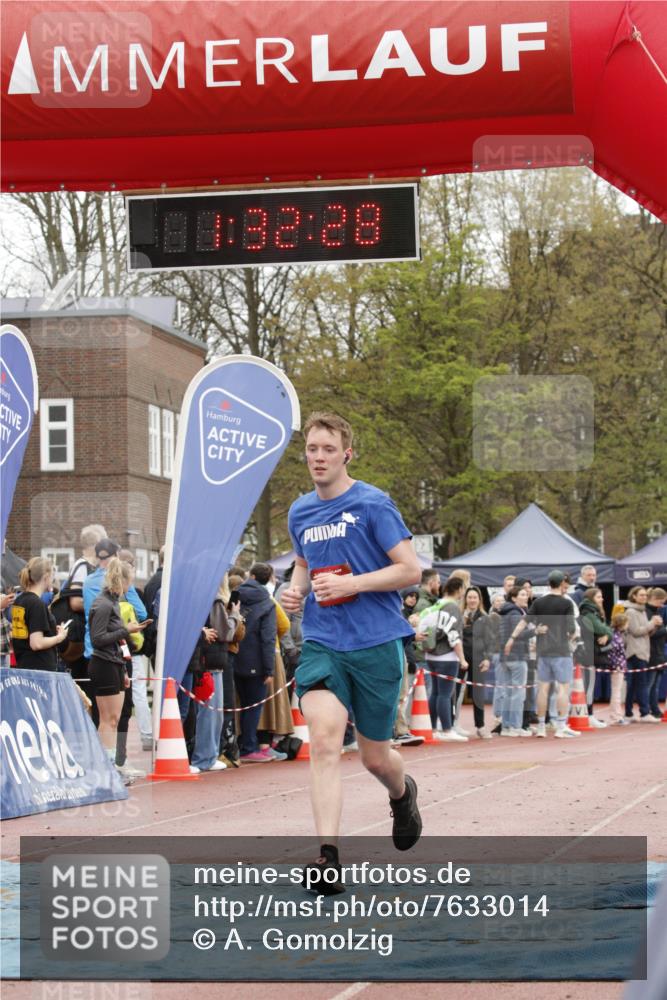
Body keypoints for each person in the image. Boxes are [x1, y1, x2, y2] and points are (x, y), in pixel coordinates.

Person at [280, 411, 422, 888]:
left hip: (377, 642)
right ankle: (327, 857)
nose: (318, 458)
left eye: (327, 450)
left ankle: (402, 795)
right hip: (323, 642)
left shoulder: (373, 504)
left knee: (375, 758)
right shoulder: (300, 511)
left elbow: (410, 570)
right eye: (311, 450)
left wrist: (353, 584)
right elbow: (303, 562)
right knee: (322, 739)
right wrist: (294, 590)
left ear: (347, 454)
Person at [88, 558, 149, 773]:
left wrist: (123, 668)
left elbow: (115, 640)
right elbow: (97, 638)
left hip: (114, 663)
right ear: (121, 580)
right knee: (107, 720)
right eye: (129, 582)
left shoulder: (112, 602)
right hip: (103, 664)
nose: (130, 587)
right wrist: (127, 630)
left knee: (114, 719)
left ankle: (112, 766)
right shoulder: (103, 604)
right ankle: (106, 768)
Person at [507, 570, 578, 738]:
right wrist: (572, 635)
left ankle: (540, 726)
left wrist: (511, 638)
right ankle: (560, 726)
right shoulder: (566, 603)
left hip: (543, 651)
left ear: (548, 584)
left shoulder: (539, 602)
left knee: (543, 689)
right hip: (561, 650)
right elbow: (571, 629)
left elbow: (524, 622)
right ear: (562, 584)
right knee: (562, 688)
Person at [190, 574, 242, 774]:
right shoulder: (216, 600)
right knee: (211, 711)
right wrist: (235, 615)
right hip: (212, 660)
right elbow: (225, 632)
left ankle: (207, 755)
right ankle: (205, 756)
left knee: (211, 711)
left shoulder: (201, 598)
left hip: (206, 658)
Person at [235, 563, 278, 762]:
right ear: (268, 579)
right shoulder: (267, 603)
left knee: (240, 705)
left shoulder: (234, 595)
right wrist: (269, 669)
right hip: (256, 661)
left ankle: (240, 743)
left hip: (234, 656)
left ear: (250, 575)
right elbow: (268, 637)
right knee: (253, 706)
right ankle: (249, 746)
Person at [419, 576, 468, 742]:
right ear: (460, 589)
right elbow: (454, 635)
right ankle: (447, 729)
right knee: (445, 694)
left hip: (431, 654)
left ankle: (433, 727)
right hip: (447, 656)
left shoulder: (436, 605)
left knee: (436, 693)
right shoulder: (452, 607)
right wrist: (462, 659)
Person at [10, 557, 69, 670]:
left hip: (24, 665)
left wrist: (50, 631)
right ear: (46, 577)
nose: (53, 580)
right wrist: (59, 637)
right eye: (52, 576)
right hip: (39, 670)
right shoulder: (36, 604)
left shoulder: (20, 600)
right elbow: (36, 643)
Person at [498, 585, 534, 737]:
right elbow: (517, 634)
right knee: (517, 693)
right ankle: (515, 726)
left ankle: (506, 726)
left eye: (526, 594)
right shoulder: (515, 613)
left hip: (505, 657)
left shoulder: (506, 612)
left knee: (508, 693)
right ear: (514, 598)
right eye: (523, 594)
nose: (526, 597)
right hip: (517, 656)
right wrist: (535, 631)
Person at [624, 586, 663, 722]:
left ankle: (628, 713)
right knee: (641, 683)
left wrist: (655, 626)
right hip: (636, 651)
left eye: (645, 595)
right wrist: (652, 623)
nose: (644, 597)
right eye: (641, 595)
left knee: (635, 684)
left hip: (643, 650)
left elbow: (647, 632)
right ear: (633, 596)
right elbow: (636, 631)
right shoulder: (631, 611)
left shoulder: (642, 611)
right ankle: (645, 713)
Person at [460, 587, 494, 739]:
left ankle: (480, 726)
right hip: (461, 657)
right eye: (469, 597)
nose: (472, 600)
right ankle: (452, 724)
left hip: (478, 659)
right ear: (465, 599)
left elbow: (490, 641)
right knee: (456, 691)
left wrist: (487, 658)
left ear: (479, 600)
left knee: (478, 694)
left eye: (475, 597)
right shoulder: (460, 616)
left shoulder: (485, 618)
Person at [578, 587, 613, 727]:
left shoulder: (592, 612)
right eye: (599, 597)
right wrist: (608, 633)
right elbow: (601, 629)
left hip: (591, 653)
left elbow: (607, 630)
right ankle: (589, 715)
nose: (602, 599)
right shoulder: (589, 613)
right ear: (591, 598)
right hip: (589, 654)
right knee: (589, 686)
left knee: (589, 685)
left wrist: (607, 634)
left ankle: (589, 714)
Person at [646, 587, 667, 719]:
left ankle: (654, 709)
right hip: (650, 653)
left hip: (659, 652)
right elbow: (649, 633)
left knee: (655, 686)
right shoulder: (647, 612)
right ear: (655, 599)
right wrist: (665, 629)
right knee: (649, 684)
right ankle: (646, 710)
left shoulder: (657, 612)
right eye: (661, 602)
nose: (662, 605)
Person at [608, 612, 629, 725]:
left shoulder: (617, 634)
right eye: (627, 623)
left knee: (617, 691)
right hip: (617, 667)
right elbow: (613, 653)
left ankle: (616, 715)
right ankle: (616, 717)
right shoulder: (615, 636)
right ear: (622, 624)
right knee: (616, 692)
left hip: (619, 665)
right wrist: (616, 665)